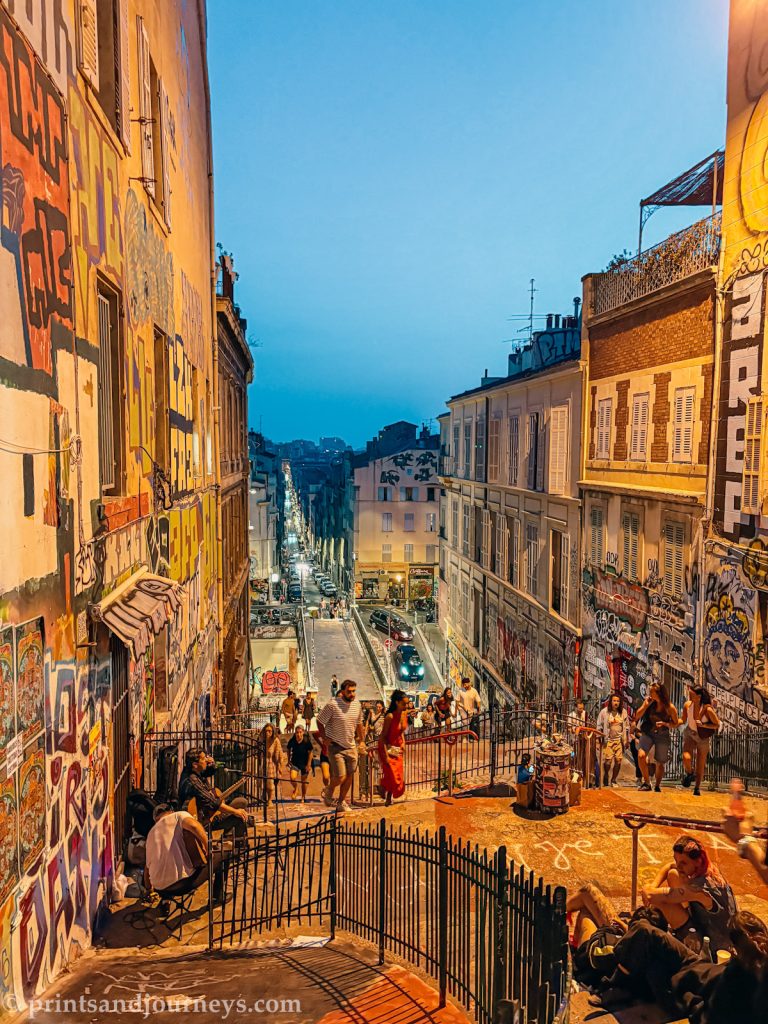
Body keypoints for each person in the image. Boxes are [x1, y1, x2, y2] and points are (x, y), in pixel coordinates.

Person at [590, 911, 768, 1022]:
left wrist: (688, 1000)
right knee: (644, 929)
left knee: (651, 959)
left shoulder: (737, 979)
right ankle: (614, 961)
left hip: (686, 981)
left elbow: (709, 1015)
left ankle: (611, 972)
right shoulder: (753, 964)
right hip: (696, 964)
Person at [641, 835, 737, 951]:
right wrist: (653, 885)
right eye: (677, 861)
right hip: (714, 929)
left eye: (684, 863)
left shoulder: (699, 889)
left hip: (712, 946)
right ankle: (687, 917)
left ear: (698, 861)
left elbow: (651, 896)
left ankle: (687, 942)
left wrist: (647, 888)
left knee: (662, 902)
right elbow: (669, 866)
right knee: (673, 874)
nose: (679, 866)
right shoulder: (707, 868)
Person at [144, 803, 226, 904]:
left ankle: (165, 902)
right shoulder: (178, 815)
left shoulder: (150, 834)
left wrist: (149, 890)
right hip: (183, 884)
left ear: (155, 819)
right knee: (223, 854)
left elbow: (146, 869)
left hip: (160, 890)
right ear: (171, 811)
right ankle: (218, 898)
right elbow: (194, 826)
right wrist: (209, 848)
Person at [316, 678, 364, 814]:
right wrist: (324, 738)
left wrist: (362, 741)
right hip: (335, 746)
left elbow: (359, 724)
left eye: (354, 691)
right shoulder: (333, 705)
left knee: (350, 776)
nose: (352, 694)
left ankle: (341, 802)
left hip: (351, 746)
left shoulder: (357, 705)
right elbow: (319, 720)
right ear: (342, 691)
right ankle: (329, 790)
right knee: (340, 776)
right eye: (349, 691)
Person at [178, 749, 248, 837]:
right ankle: (239, 846)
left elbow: (208, 772)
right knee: (240, 815)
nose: (206, 760)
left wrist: (212, 764)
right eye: (203, 759)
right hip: (204, 821)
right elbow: (213, 803)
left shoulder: (193, 772)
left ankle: (229, 836)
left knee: (241, 802)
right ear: (195, 764)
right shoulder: (192, 780)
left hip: (208, 812)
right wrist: (236, 812)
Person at [635, 681, 679, 791]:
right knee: (641, 755)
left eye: (652, 692)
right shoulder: (649, 703)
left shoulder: (670, 708)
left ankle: (657, 785)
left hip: (662, 735)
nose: (649, 693)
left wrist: (665, 724)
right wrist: (645, 706)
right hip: (648, 732)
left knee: (660, 762)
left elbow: (675, 723)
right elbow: (637, 715)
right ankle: (646, 782)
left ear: (659, 693)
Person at [682, 684, 721, 796]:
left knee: (700, 762)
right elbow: (683, 719)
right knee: (686, 757)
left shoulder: (707, 709)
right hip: (690, 733)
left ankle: (697, 788)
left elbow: (717, 724)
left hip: (702, 738)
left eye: (692, 694)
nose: (689, 694)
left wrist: (704, 725)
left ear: (698, 697)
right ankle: (690, 773)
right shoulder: (688, 705)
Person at [378, 689, 408, 806]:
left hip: (398, 748)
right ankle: (382, 786)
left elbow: (401, 731)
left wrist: (404, 742)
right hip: (388, 748)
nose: (406, 706)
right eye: (403, 704)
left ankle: (388, 797)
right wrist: (385, 754)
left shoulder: (404, 714)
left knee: (397, 776)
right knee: (393, 776)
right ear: (397, 703)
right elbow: (383, 736)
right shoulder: (390, 716)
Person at [597, 693, 630, 787]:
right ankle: (606, 775)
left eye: (618, 701)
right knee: (608, 762)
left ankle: (614, 780)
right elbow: (599, 725)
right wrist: (600, 739)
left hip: (619, 740)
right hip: (608, 740)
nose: (616, 703)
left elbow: (627, 727)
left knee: (618, 761)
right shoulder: (604, 712)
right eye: (614, 701)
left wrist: (627, 740)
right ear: (611, 702)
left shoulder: (623, 712)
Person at [286, 724, 313, 802]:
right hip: (295, 762)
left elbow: (310, 752)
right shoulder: (293, 740)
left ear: (303, 732)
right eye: (297, 732)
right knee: (292, 778)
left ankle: (303, 797)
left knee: (304, 782)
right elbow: (288, 748)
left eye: (300, 732)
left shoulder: (306, 740)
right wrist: (288, 760)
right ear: (295, 733)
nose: (298, 734)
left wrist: (309, 764)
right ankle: (296, 788)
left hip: (305, 763)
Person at [260, 722, 284, 804]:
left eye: (270, 731)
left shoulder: (275, 741)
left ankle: (270, 799)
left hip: (271, 763)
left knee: (270, 783)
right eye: (266, 731)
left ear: (273, 731)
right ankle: (264, 798)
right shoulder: (262, 740)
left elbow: (280, 754)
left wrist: (280, 766)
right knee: (263, 783)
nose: (268, 733)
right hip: (263, 763)